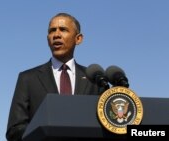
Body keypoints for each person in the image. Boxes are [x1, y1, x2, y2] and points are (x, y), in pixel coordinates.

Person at [6, 12, 104, 141]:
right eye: (52, 31)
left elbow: (107, 123)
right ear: (47, 39)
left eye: (63, 30)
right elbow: (15, 129)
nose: (56, 35)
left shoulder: (95, 79)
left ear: (78, 39)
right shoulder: (28, 79)